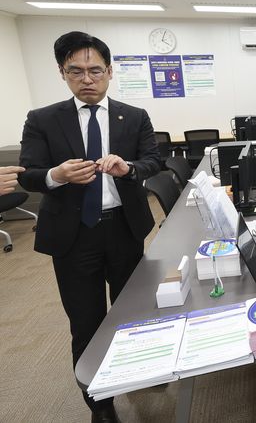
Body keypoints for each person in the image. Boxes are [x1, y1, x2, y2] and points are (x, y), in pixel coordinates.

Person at [19, 31, 160, 423]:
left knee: (134, 311)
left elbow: (153, 160)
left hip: (124, 230)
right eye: (76, 71)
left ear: (109, 72)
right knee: (87, 322)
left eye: (95, 70)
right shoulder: (42, 119)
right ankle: (101, 403)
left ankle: (141, 370)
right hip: (73, 236)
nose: (87, 79)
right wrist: (57, 175)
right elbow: (28, 175)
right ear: (62, 73)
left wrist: (129, 169)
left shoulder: (134, 116)